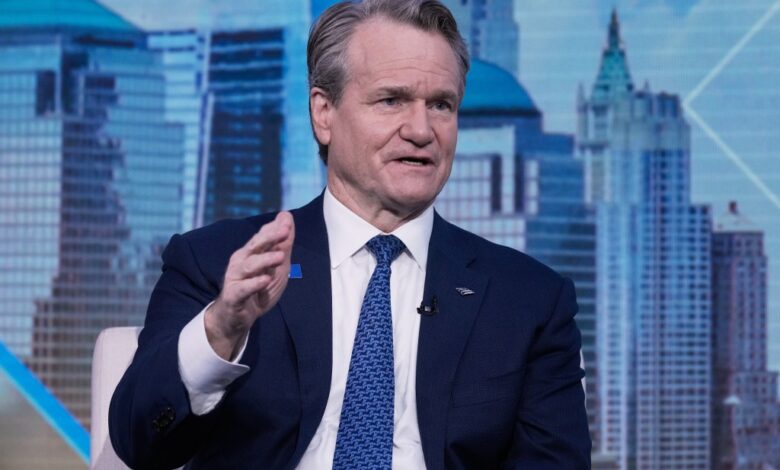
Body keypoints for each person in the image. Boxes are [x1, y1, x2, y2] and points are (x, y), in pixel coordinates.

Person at [109, 0, 591, 468]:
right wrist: (220, 331)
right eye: (391, 100)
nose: (421, 129)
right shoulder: (218, 262)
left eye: (441, 105)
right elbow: (139, 442)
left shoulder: (527, 299)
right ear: (324, 114)